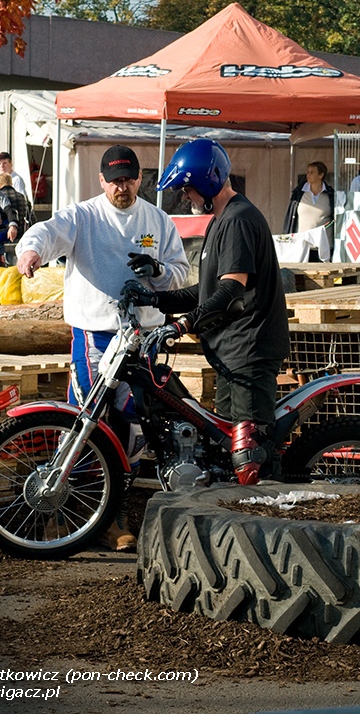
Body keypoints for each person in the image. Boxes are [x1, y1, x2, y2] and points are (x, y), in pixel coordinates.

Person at [15, 145, 189, 550]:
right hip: (96, 334)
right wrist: (31, 250)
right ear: (101, 181)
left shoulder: (157, 219)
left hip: (142, 338)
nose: (122, 188)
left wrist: (159, 271)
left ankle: (113, 515)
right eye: (114, 181)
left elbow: (181, 273)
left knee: (134, 423)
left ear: (139, 178)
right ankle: (58, 512)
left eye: (128, 179)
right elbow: (49, 231)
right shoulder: (84, 215)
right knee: (87, 418)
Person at [126, 138, 290, 486]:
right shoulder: (220, 221)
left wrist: (182, 325)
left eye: (188, 189)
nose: (187, 197)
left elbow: (231, 291)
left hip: (250, 352)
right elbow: (205, 293)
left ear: (207, 181)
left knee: (251, 461)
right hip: (232, 355)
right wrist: (155, 300)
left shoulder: (238, 221)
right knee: (225, 455)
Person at [282, 161, 335, 257]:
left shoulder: (330, 194)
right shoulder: (299, 193)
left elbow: (335, 218)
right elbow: (291, 217)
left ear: (321, 175)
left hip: (324, 246)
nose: (308, 175)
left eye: (312, 172)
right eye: (308, 172)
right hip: (302, 245)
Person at [0, 173, 34, 239]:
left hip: (2, 235)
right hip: (20, 234)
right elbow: (31, 218)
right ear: (11, 183)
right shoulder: (22, 197)